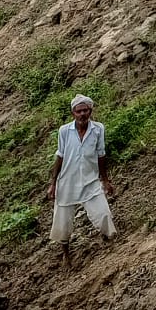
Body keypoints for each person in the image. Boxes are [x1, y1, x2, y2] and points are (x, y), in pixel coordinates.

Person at [46, 95, 117, 249]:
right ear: (73, 113)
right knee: (63, 221)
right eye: (79, 111)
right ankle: (65, 251)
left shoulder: (98, 129)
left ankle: (110, 241)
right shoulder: (65, 131)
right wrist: (53, 184)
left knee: (103, 213)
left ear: (90, 111)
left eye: (85, 110)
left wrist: (105, 180)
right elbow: (60, 156)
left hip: (90, 180)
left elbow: (101, 155)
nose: (82, 114)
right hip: (67, 181)